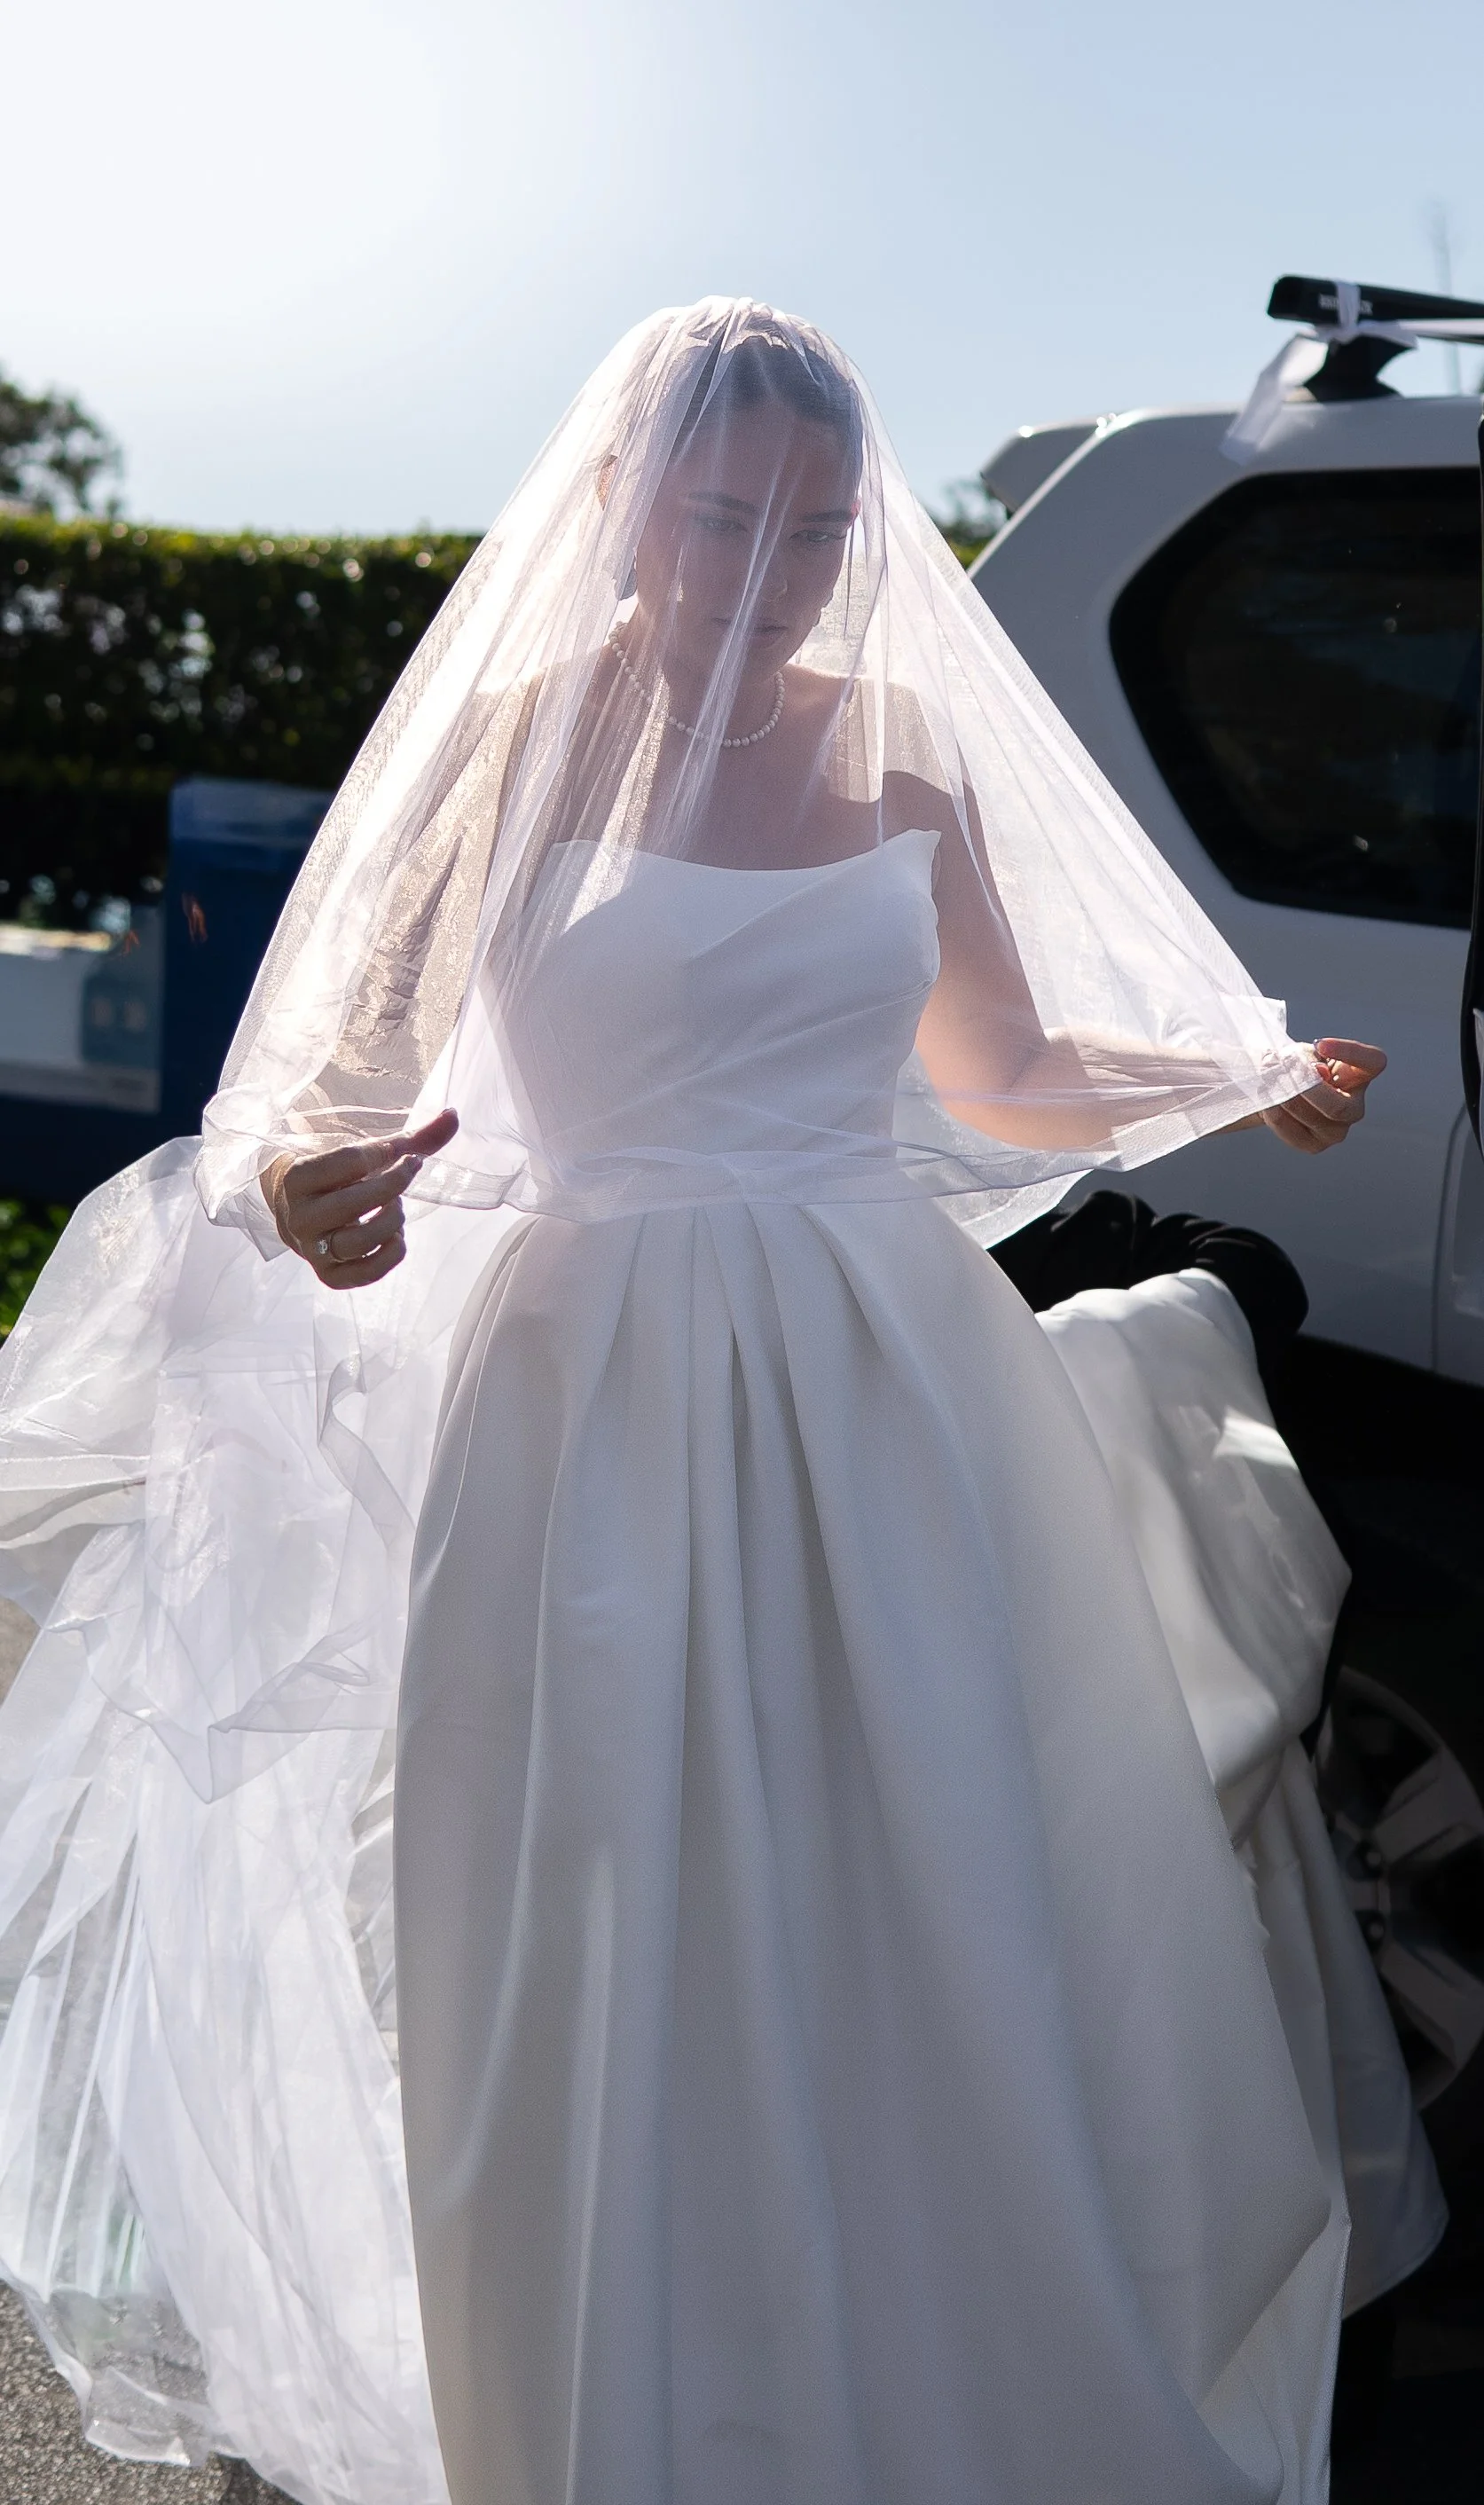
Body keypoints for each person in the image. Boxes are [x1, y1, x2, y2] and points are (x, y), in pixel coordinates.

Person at [0, 301, 1423, 2505]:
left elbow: (996, 1074)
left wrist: (1232, 1077)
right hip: (587, 1383)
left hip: (882, 1368)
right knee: (593, 1885)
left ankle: (914, 2379)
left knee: (926, 1868)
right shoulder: (509, 747)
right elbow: (330, 1095)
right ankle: (608, 2409)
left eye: (816, 528)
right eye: (723, 518)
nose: (767, 568)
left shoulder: (902, 762)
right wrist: (323, 1197)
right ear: (626, 511)